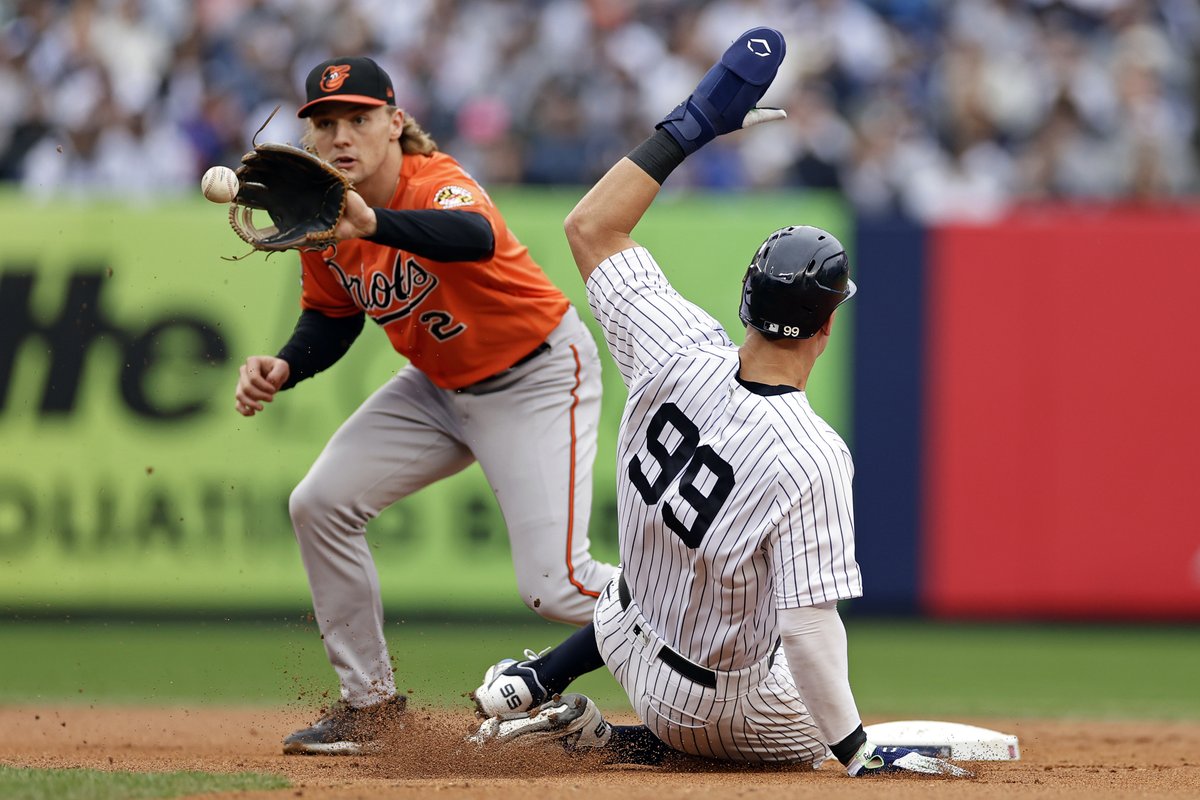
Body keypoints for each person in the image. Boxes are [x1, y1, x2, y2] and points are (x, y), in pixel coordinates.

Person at [468, 28, 970, 779]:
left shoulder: (676, 346)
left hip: (623, 634)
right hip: (724, 707)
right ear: (828, 325)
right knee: (808, 740)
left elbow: (591, 226)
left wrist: (695, 122)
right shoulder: (811, 452)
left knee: (647, 578)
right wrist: (855, 750)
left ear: (747, 300)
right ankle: (607, 742)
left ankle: (539, 680)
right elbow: (805, 626)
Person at [232, 56, 616, 755]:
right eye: (325, 123)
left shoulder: (433, 182)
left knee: (557, 588)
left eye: (358, 118)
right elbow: (333, 317)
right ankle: (370, 710)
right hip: (438, 388)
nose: (341, 134)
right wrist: (283, 366)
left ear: (395, 123)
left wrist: (371, 222)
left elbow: (473, 239)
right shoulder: (321, 220)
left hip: (535, 377)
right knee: (319, 502)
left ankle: (697, 613)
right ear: (311, 138)